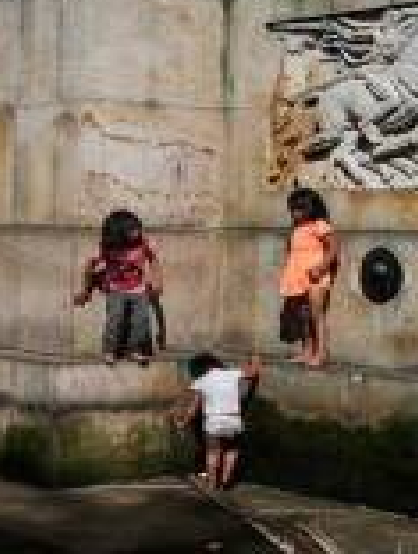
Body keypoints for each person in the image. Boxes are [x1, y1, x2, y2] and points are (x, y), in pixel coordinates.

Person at [73, 209, 163, 364]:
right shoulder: (108, 247)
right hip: (116, 290)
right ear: (120, 232)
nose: (137, 232)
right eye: (132, 230)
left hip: (139, 289)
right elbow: (90, 266)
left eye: (137, 228)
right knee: (114, 320)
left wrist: (157, 281)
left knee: (140, 321)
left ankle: (134, 350)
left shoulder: (144, 243)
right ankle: (109, 350)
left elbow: (154, 260)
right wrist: (85, 291)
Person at [176, 352, 262, 490]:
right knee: (231, 450)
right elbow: (253, 373)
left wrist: (183, 423)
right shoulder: (232, 373)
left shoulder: (201, 381)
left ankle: (211, 483)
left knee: (212, 452)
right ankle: (224, 483)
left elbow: (194, 407)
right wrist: (255, 359)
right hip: (233, 419)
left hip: (214, 420)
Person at [278, 188, 339, 367]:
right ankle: (307, 351)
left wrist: (321, 267)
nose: (294, 213)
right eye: (292, 209)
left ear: (309, 208)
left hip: (315, 276)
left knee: (316, 314)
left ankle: (321, 353)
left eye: (298, 209)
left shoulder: (319, 225)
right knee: (302, 315)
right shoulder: (297, 228)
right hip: (297, 276)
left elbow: (334, 248)